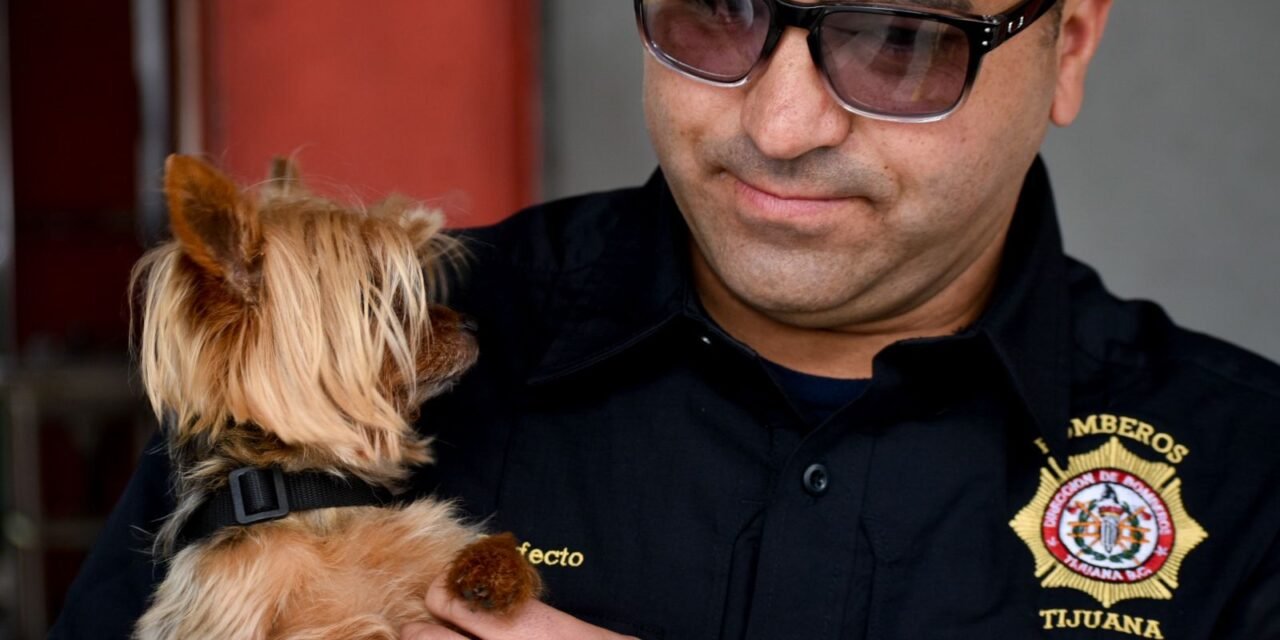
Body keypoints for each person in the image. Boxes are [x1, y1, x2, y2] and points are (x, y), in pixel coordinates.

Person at [53, 0, 1280, 638]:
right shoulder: (339, 360)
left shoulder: (1248, 477)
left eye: (900, 43)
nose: (780, 124)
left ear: (1065, 45)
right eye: (712, 12)